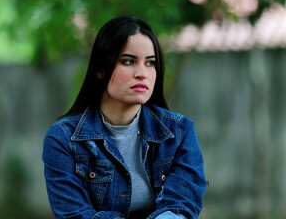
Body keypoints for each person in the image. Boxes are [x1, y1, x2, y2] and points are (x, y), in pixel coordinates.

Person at [42, 15, 207, 219]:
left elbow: (182, 206)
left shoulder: (179, 132)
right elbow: (75, 215)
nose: (142, 73)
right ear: (101, 69)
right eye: (128, 61)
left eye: (150, 63)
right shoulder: (63, 139)